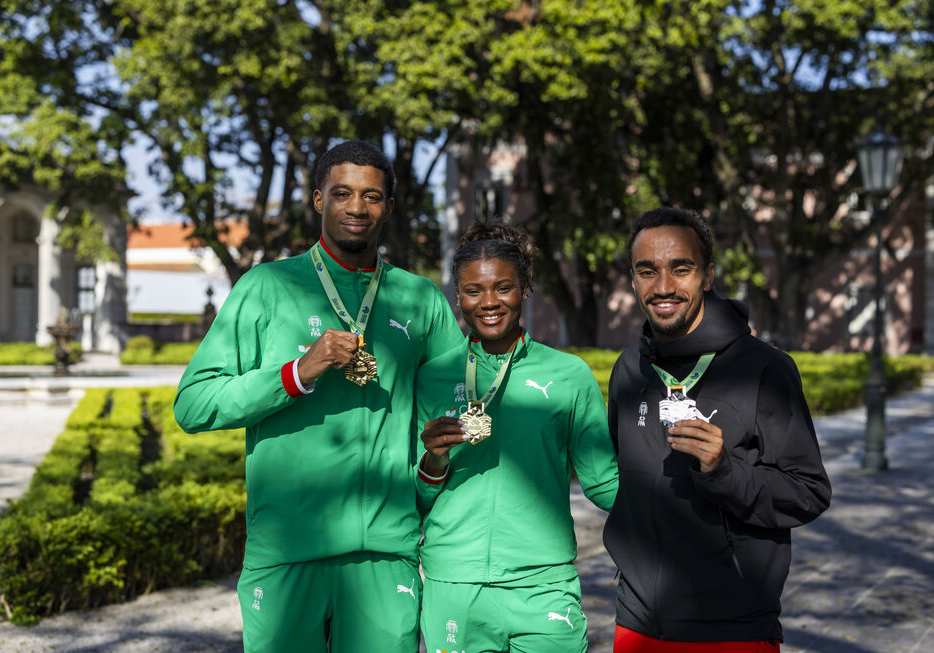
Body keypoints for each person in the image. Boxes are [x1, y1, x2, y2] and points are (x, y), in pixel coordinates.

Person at [173, 140, 464, 653]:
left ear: (389, 208)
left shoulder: (420, 299)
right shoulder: (267, 286)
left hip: (384, 552)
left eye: (372, 196)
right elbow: (193, 404)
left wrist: (432, 469)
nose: (357, 207)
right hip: (287, 548)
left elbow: (453, 416)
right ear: (318, 200)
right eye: (342, 193)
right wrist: (296, 373)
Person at [604, 207, 832, 652]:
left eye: (681, 269)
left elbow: (809, 492)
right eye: (647, 271)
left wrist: (724, 470)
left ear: (707, 275)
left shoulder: (765, 368)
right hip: (637, 622)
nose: (663, 287)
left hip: (732, 625)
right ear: (632, 281)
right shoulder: (628, 368)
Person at [416, 222, 619, 653]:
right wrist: (433, 460)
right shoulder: (433, 377)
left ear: (524, 289)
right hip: (456, 584)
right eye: (473, 291)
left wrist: (682, 498)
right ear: (458, 296)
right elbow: (415, 494)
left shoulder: (568, 375)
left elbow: (604, 482)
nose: (489, 302)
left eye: (503, 287)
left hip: (543, 584)